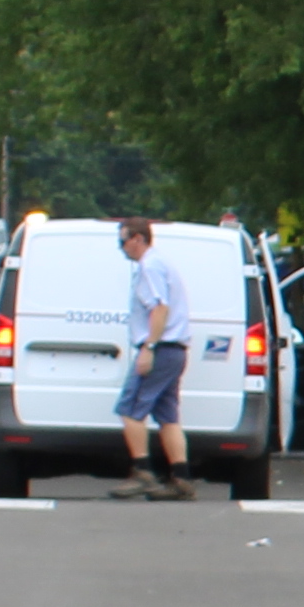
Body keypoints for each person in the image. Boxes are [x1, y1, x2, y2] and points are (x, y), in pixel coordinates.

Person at [111, 212, 193, 496]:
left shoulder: (150, 266)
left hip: (160, 348)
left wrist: (149, 348)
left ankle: (142, 471)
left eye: (122, 241)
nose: (121, 249)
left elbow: (160, 308)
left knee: (130, 410)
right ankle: (181, 479)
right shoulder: (160, 263)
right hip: (175, 350)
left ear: (137, 238)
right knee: (168, 416)